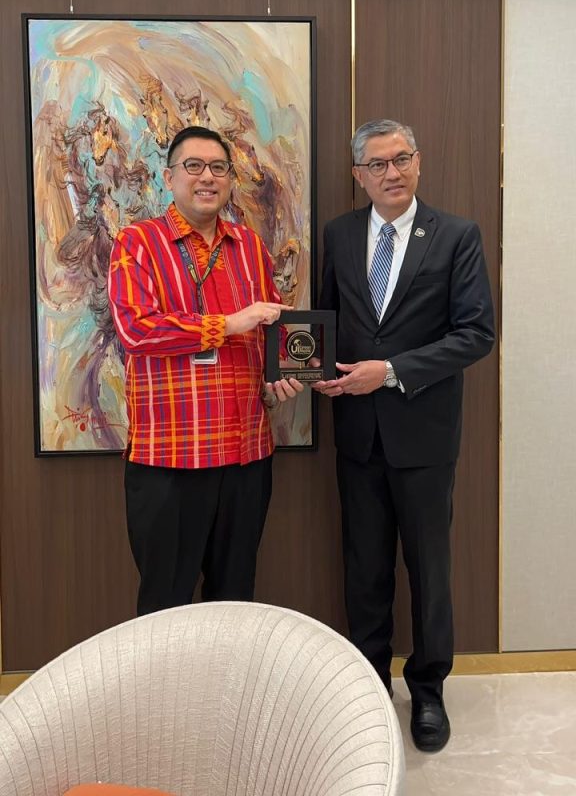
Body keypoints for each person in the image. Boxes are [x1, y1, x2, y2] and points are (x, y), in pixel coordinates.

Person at [315, 119, 494, 752]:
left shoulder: (456, 235)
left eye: (402, 159)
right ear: (358, 175)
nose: (392, 173)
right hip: (357, 434)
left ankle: (428, 688)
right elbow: (325, 318)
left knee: (429, 569)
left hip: (423, 437)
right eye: (378, 164)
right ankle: (368, 687)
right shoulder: (338, 234)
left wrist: (389, 371)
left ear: (418, 162)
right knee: (363, 568)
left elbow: (476, 334)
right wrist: (312, 370)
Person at [108, 125, 302, 616]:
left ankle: (227, 674)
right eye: (193, 166)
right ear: (169, 177)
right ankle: (166, 676)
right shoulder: (137, 243)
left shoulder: (250, 246)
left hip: (246, 456)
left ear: (231, 178)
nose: (207, 177)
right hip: (170, 458)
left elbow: (273, 329)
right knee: (165, 605)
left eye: (218, 168)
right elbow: (136, 330)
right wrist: (228, 324)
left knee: (235, 600)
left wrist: (279, 378)